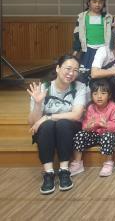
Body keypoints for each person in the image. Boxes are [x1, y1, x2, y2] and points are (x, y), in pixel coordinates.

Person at [27, 55, 88, 194]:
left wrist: (48, 116)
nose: (71, 73)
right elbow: (33, 121)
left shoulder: (79, 87)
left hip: (68, 128)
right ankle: (48, 173)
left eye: (75, 70)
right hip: (47, 130)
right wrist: (38, 104)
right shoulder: (43, 88)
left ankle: (64, 170)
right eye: (68, 68)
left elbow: (76, 115)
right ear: (58, 68)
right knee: (47, 126)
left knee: (63, 124)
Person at [69, 79, 115, 177]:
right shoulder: (90, 107)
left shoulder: (114, 107)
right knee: (80, 135)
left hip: (108, 135)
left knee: (107, 136)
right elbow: (85, 125)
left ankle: (108, 163)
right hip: (94, 134)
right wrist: (87, 127)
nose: (99, 96)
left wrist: (106, 125)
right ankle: (77, 163)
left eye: (103, 93)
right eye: (95, 94)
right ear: (91, 96)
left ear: (109, 95)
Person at [72, 0, 115, 72]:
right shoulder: (82, 17)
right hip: (88, 50)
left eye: (100, 2)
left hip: (104, 49)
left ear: (104, 3)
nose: (97, 4)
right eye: (94, 2)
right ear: (88, 2)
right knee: (86, 71)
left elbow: (112, 35)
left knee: (102, 70)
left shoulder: (108, 17)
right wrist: (75, 51)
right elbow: (77, 35)